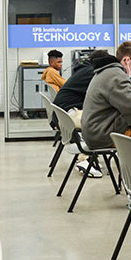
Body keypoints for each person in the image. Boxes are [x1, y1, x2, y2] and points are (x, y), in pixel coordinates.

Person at [52, 49, 110, 178]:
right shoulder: (92, 74)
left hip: (63, 115)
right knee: (100, 121)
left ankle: (90, 156)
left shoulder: (84, 71)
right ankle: (84, 158)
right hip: (67, 116)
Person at [81, 41, 131, 149]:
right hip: (102, 136)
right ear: (127, 60)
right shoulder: (116, 75)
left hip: (95, 132)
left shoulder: (108, 71)